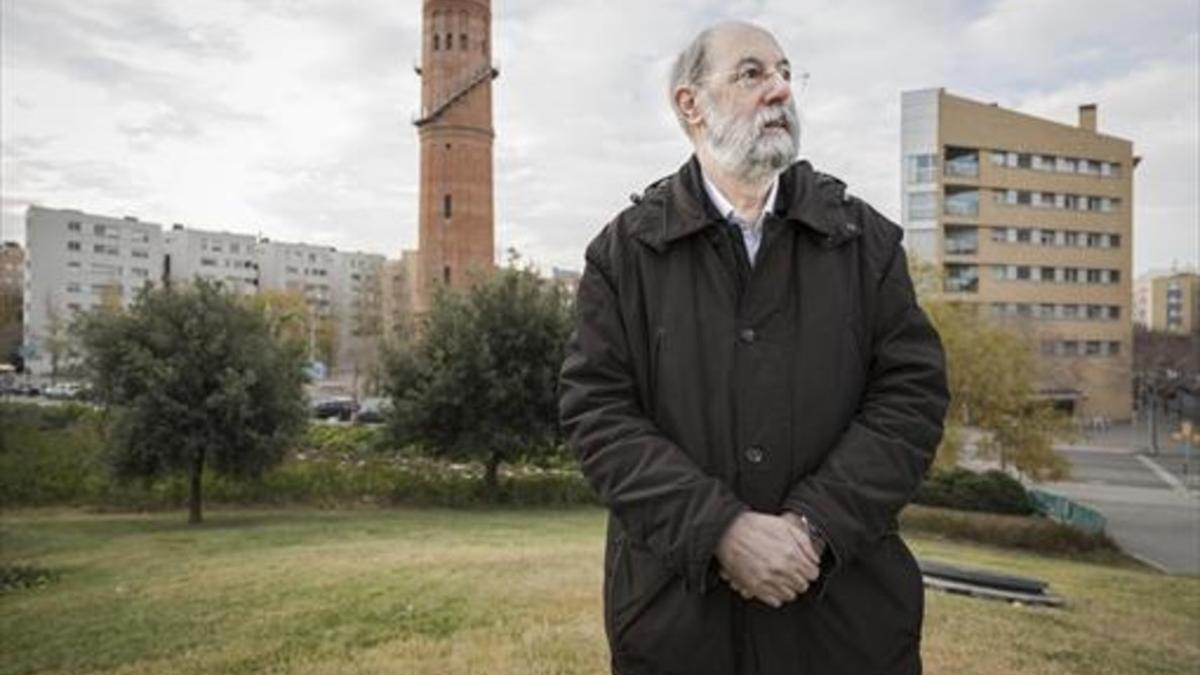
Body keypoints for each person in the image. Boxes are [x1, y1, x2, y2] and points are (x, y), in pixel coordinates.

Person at [558, 20, 950, 675]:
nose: (781, 91)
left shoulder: (865, 243)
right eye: (753, 73)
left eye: (786, 73)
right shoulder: (623, 256)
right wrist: (720, 530)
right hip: (679, 630)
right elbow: (597, 415)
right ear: (690, 104)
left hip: (846, 630)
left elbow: (911, 400)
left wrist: (812, 526)